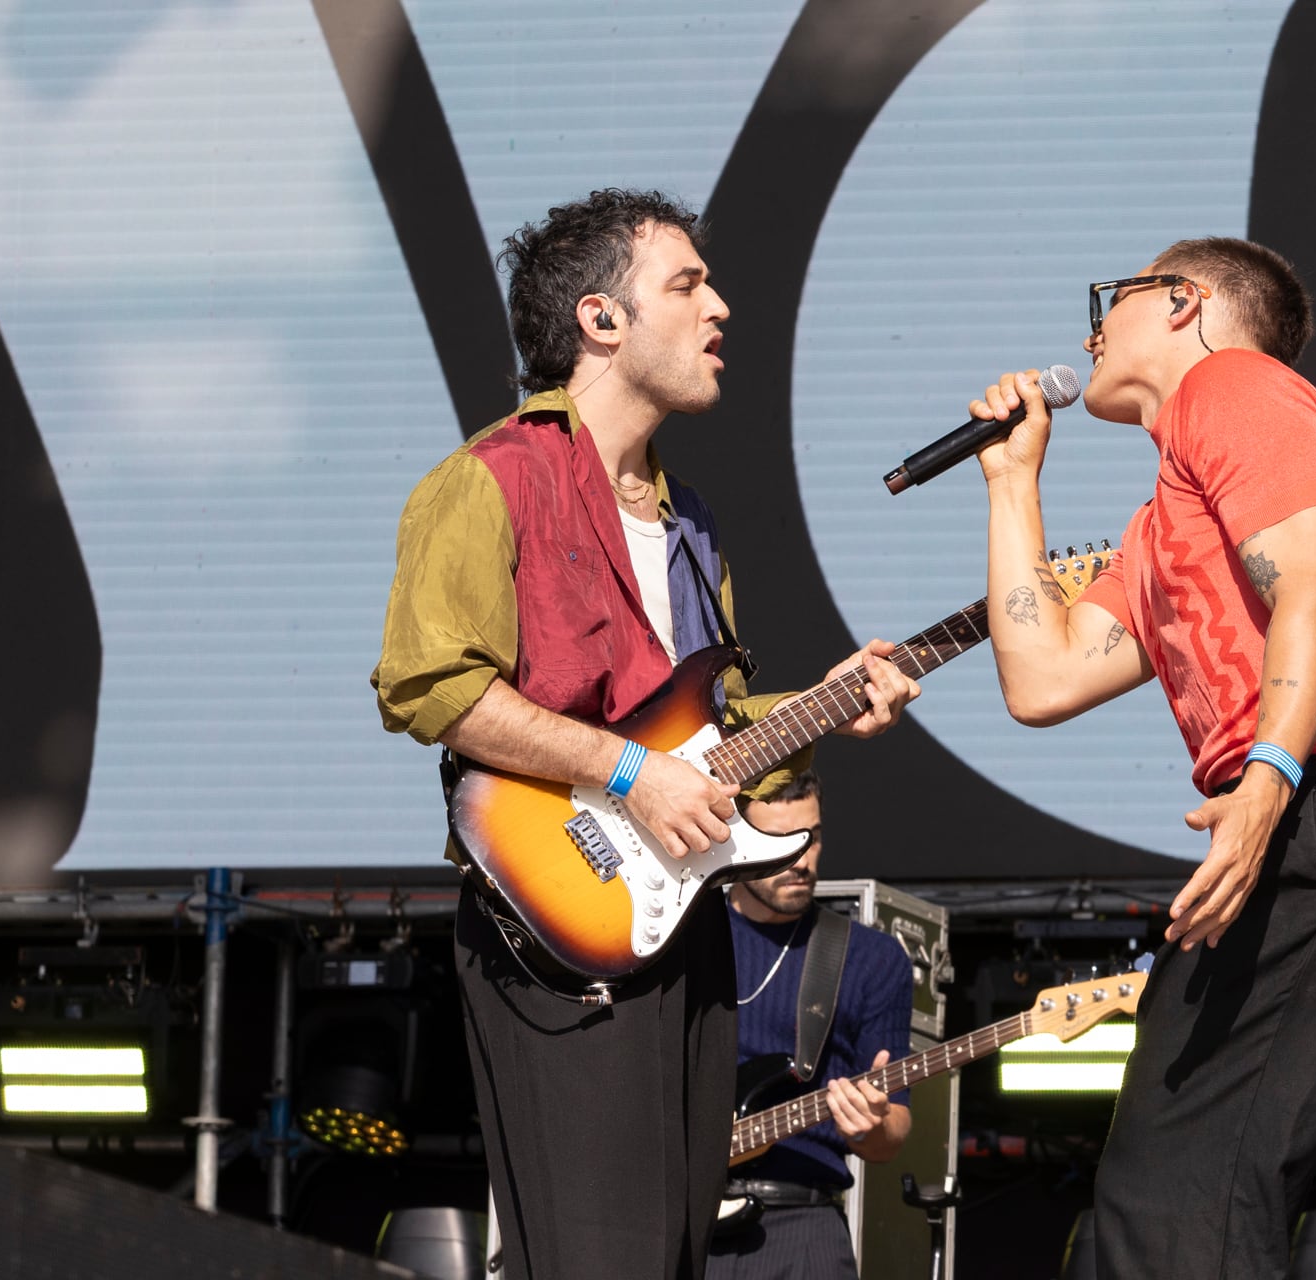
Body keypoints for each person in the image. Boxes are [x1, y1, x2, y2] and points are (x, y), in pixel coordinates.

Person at [371, 189, 918, 1280]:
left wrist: (818, 706)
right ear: (601, 319)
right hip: (561, 923)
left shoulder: (688, 519)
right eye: (687, 285)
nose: (721, 308)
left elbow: (701, 732)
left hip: (683, 924)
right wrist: (628, 771)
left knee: (668, 1255)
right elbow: (431, 686)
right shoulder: (491, 479)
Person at [966, 238, 1316, 1278]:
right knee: (1171, 1185)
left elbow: (1312, 592)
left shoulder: (1231, 387)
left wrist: (1266, 785)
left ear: (1183, 302)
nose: (1090, 335)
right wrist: (1012, 484)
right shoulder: (1161, 527)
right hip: (1304, 817)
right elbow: (1041, 680)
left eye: (1112, 301)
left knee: (1187, 1193)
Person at [709, 769, 914, 1280]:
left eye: (812, 837)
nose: (800, 860)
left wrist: (871, 1124)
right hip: (678, 1215)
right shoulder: (680, 941)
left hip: (801, 1223)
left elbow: (891, 1136)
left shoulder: (871, 958)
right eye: (779, 841)